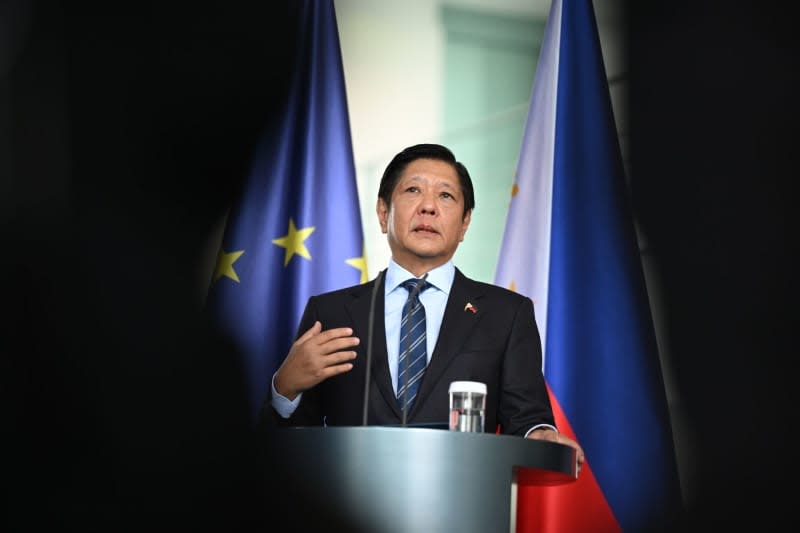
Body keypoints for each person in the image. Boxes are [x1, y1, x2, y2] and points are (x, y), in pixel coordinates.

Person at [261, 143, 584, 467]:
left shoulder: (507, 314)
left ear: (465, 223)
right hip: (346, 508)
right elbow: (291, 446)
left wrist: (539, 433)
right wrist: (284, 387)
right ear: (383, 212)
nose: (428, 206)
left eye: (446, 195)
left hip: (463, 505)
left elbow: (526, 418)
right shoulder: (329, 312)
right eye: (413, 190)